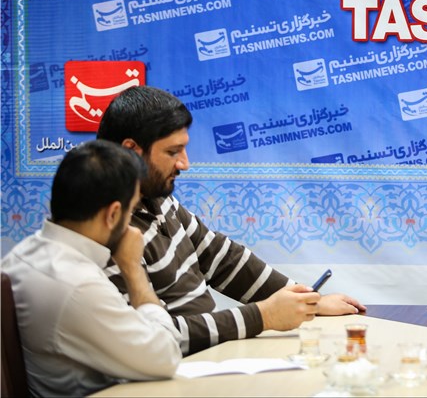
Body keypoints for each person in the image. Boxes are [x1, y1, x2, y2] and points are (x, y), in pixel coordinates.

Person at [96, 85, 366, 355]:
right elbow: (154, 337)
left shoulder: (156, 196)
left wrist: (307, 300)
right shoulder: (105, 230)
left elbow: (220, 257)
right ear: (131, 151)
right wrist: (264, 316)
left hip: (209, 356)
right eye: (172, 152)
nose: (184, 164)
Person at [2, 140, 181, 397]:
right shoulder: (77, 284)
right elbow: (166, 356)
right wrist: (133, 269)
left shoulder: (22, 255)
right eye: (131, 210)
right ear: (113, 214)